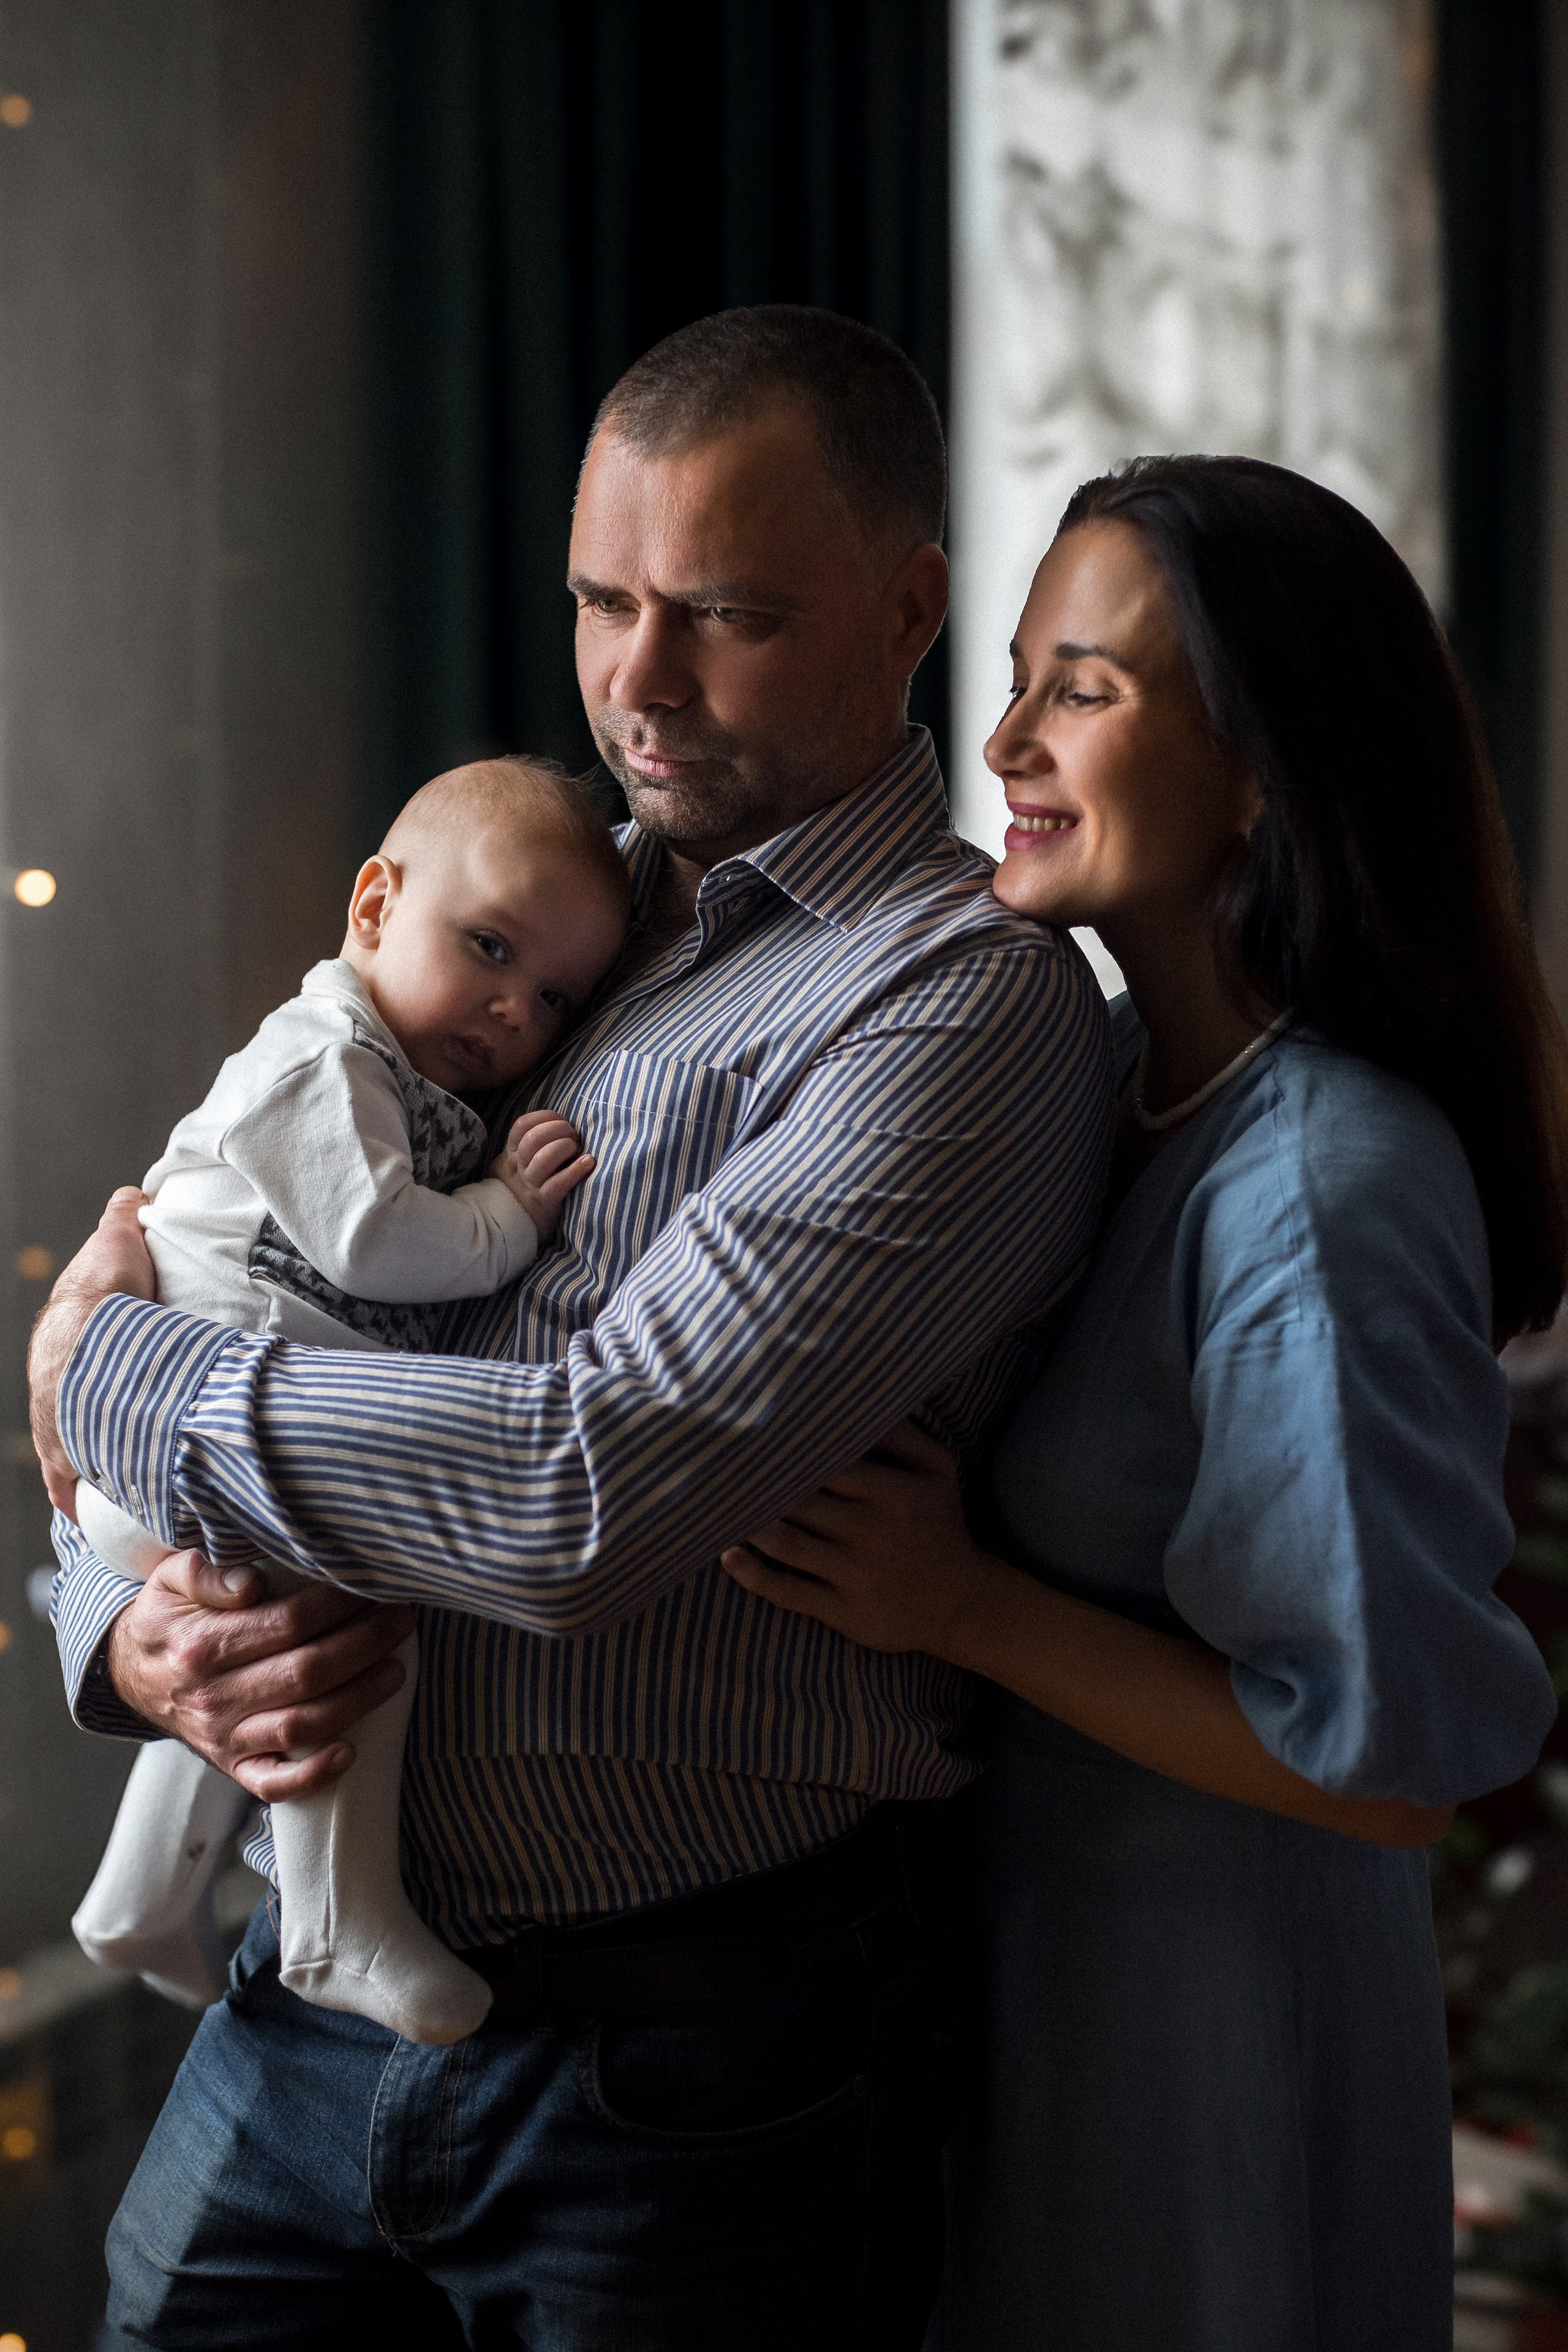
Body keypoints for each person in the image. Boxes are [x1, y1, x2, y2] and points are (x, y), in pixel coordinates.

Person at [30, 308, 1112, 2351]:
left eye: (724, 611)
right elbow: (215, 1263)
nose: (642, 680)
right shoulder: (502, 910)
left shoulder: (961, 1003)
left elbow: (578, 1490)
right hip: (285, 2030)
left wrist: (98, 1371)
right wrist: (134, 1642)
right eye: (605, 601)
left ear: (910, 609)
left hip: (696, 2087)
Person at [722, 455, 1566, 2352]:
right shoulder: (1109, 1081)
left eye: (1082, 689)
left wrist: (961, 1607)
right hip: (1031, 1994)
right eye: (1015, 675)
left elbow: (1393, 1772)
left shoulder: (1322, 1181)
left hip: (1199, 2049)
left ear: (1269, 766)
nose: (1004, 736)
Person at [72, 755, 627, 2048]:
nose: (509, 1008)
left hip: (211, 1439)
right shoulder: (318, 1056)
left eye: (551, 994)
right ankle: (334, 1925)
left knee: (251, 1656)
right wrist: (505, 1216)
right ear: (373, 905)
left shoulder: (402, 1072)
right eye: (484, 944)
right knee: (354, 1636)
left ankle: (142, 1895)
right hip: (191, 1434)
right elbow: (372, 1238)